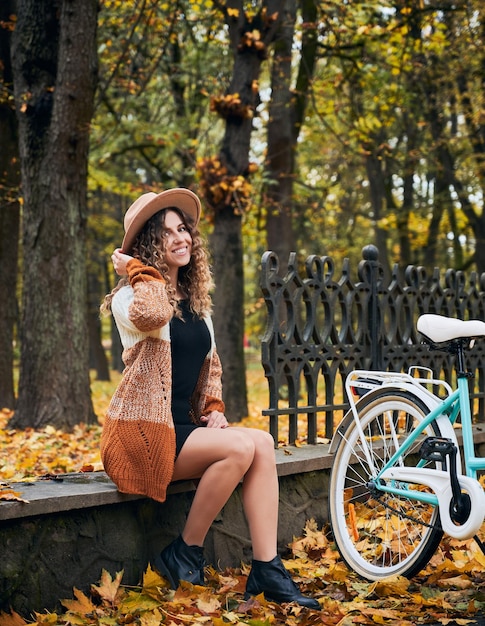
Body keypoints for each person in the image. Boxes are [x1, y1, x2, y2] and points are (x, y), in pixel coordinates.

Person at [100, 188, 319, 610]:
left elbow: (210, 370)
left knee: (261, 443)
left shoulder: (198, 305)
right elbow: (152, 315)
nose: (181, 237)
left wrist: (214, 411)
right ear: (147, 244)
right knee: (240, 448)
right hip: (143, 434)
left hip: (184, 427)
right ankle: (185, 550)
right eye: (166, 233)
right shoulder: (131, 297)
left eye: (183, 228)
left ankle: (267, 567)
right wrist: (139, 272)